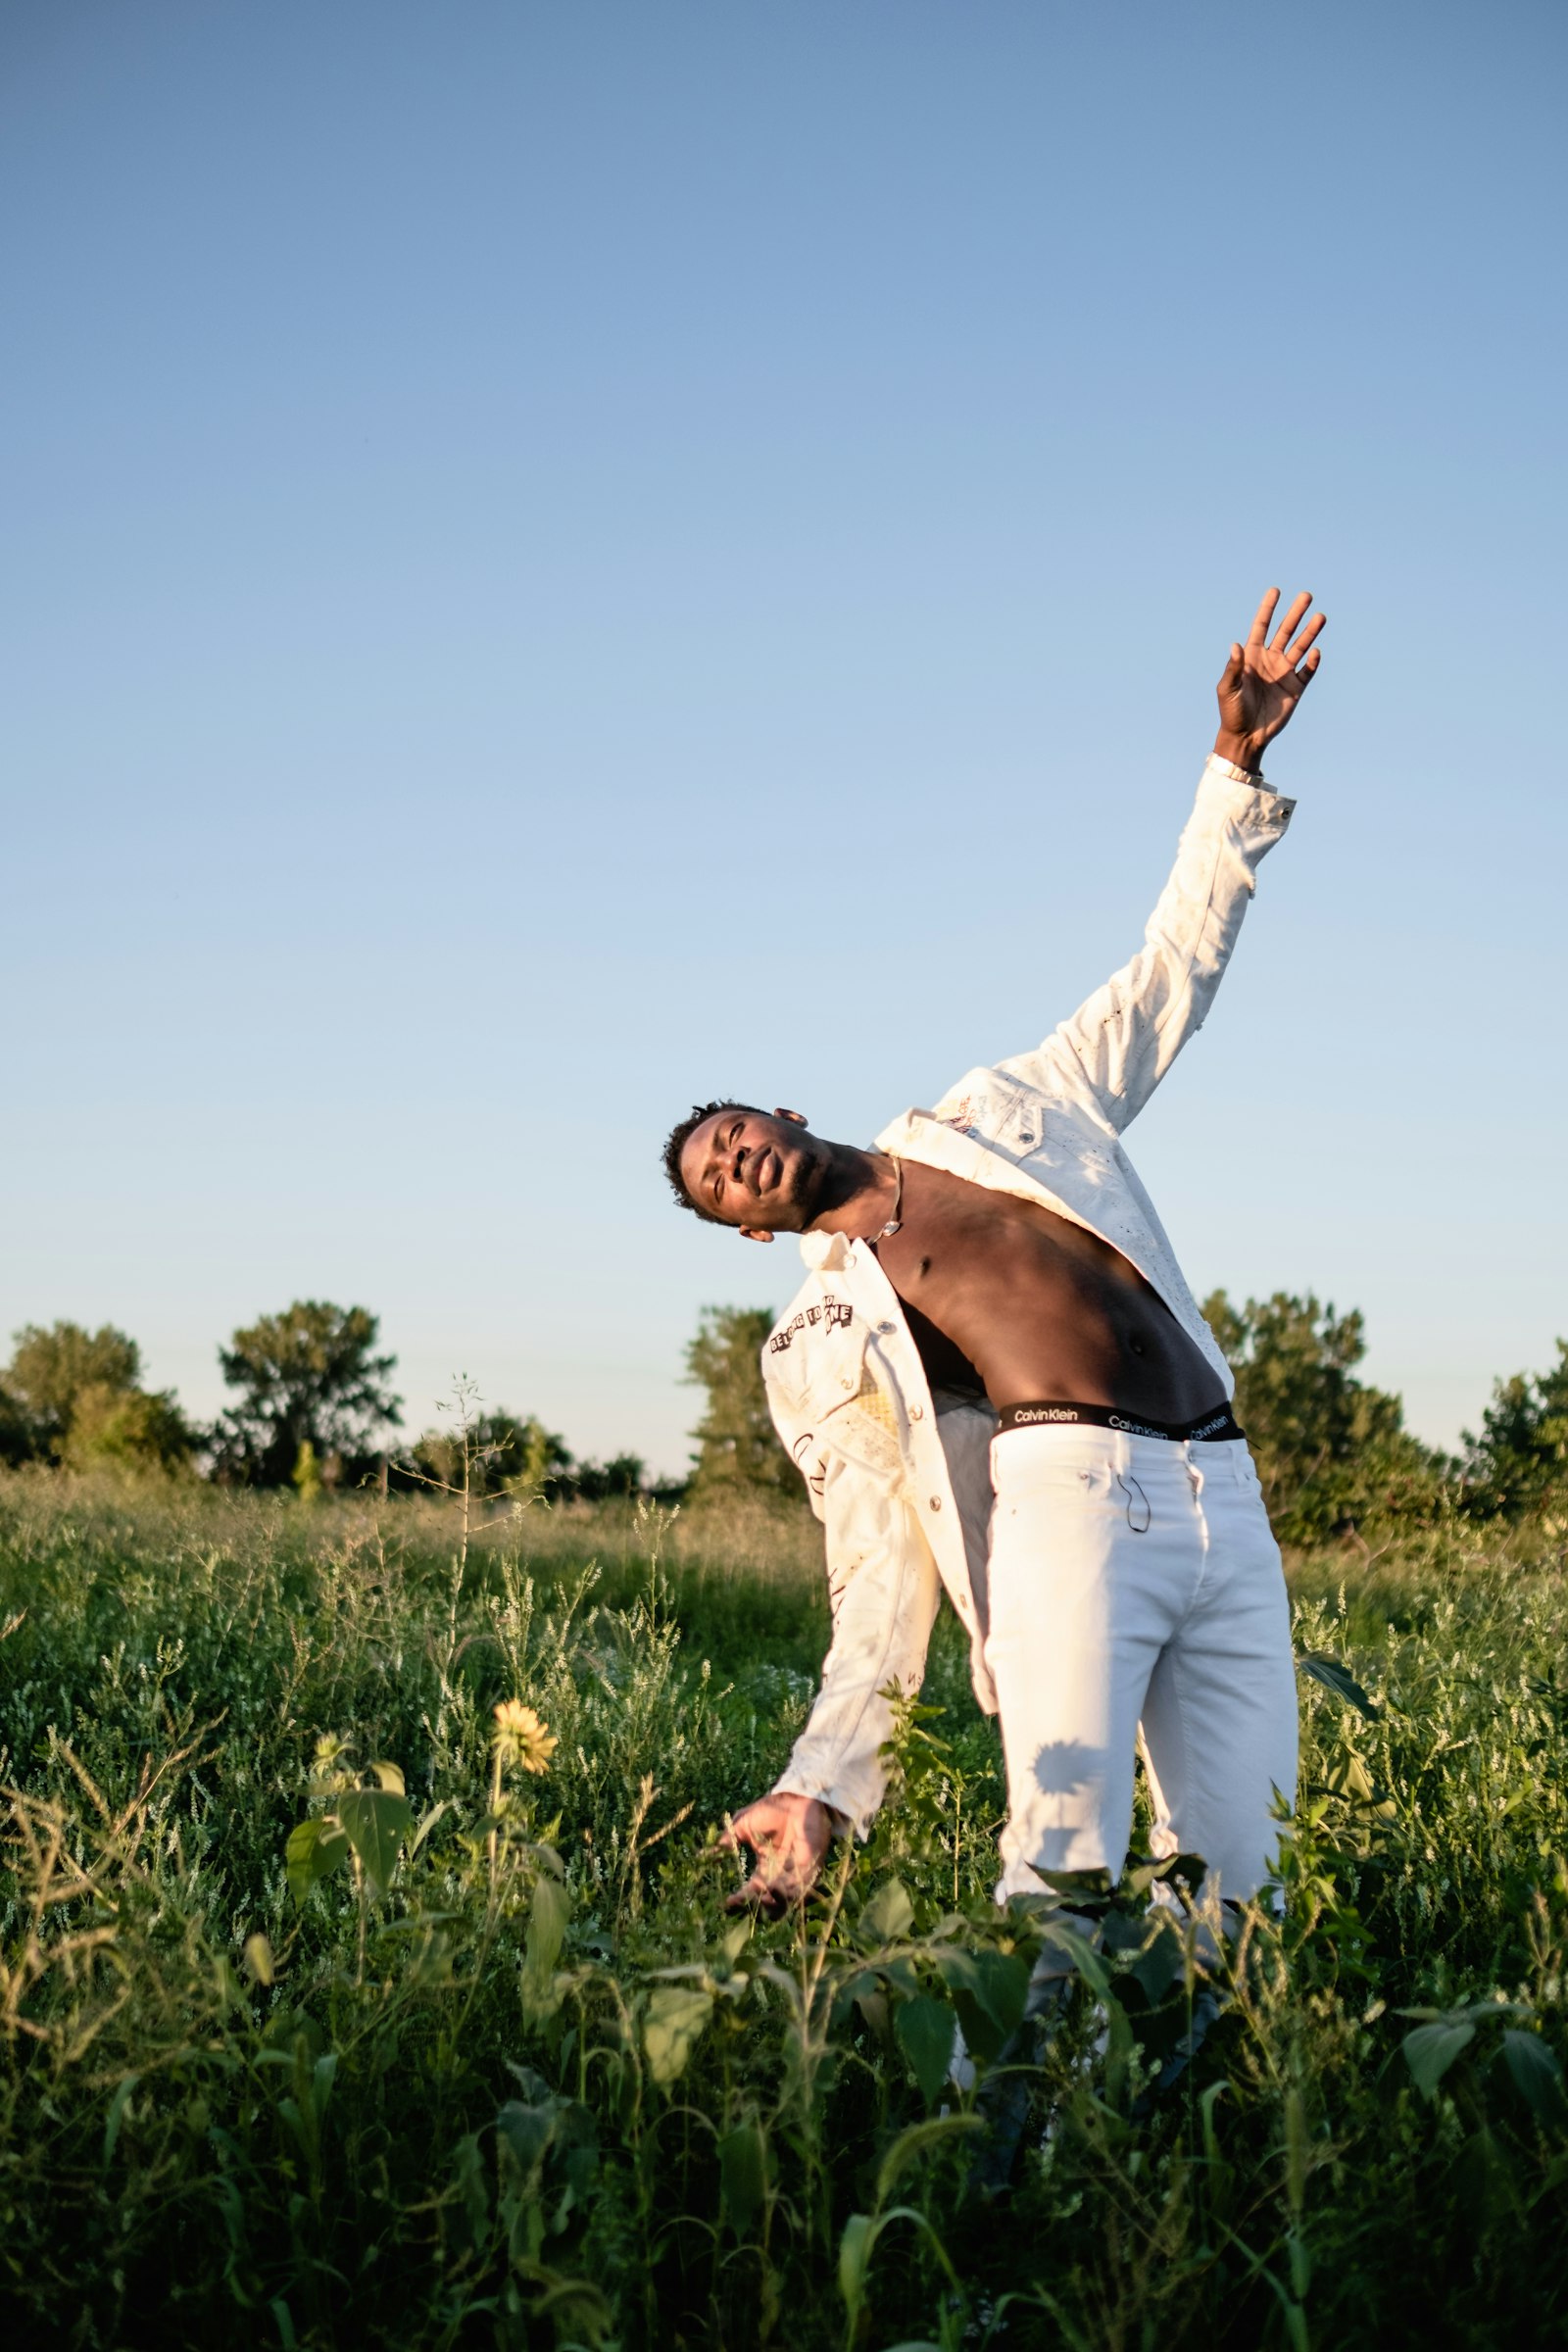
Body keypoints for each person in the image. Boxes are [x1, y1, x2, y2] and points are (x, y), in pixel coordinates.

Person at [663, 589, 1323, 1928]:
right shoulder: (818, 1340)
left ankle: (1193, 2135)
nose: (740, 1161)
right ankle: (1008, 2133)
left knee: (1250, 1882)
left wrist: (1235, 772)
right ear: (747, 1230)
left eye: (737, 1134)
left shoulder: (1004, 1107)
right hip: (1070, 1501)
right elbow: (874, 1572)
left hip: (1222, 1481)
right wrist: (823, 1785)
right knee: (1064, 1863)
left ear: (784, 1114)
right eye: (721, 1180)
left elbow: (1166, 979)